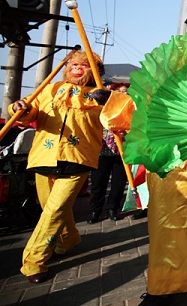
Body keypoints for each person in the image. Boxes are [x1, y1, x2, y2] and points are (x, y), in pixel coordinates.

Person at [8, 50, 129, 284]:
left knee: (54, 211)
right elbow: (29, 113)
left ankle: (34, 261)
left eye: (83, 65)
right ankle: (68, 238)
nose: (77, 67)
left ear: (94, 72)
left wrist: (111, 102)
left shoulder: (99, 96)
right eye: (74, 63)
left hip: (77, 158)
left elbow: (123, 116)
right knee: (50, 209)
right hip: (44, 156)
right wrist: (19, 108)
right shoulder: (50, 89)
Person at [88, 83, 130, 223]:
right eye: (120, 91)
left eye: (125, 92)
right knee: (98, 184)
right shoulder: (100, 109)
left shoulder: (130, 109)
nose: (123, 94)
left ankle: (112, 209)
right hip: (102, 152)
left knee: (118, 184)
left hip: (122, 153)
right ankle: (95, 210)